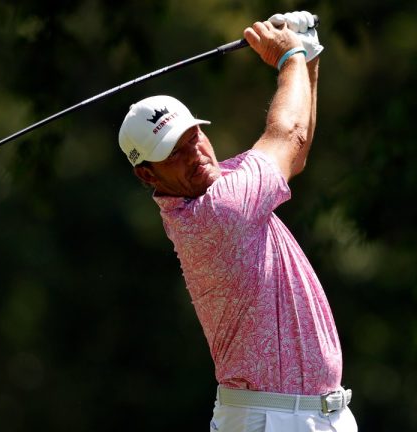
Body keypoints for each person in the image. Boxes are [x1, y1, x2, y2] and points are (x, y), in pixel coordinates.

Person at [117, 11, 357, 432]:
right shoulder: (218, 214)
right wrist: (289, 58)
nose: (196, 154)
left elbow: (293, 156)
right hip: (272, 418)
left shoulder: (223, 186)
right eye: (175, 152)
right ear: (147, 174)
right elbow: (288, 135)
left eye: (195, 137)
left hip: (310, 414)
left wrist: (309, 58)